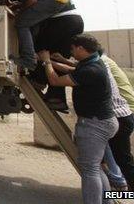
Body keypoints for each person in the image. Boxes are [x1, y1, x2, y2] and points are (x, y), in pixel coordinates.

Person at [37, 34, 117, 204]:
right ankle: (107, 201)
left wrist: (47, 62)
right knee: (94, 167)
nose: (71, 52)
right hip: (102, 122)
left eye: (73, 49)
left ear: (81, 48)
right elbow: (74, 70)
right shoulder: (94, 62)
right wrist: (58, 60)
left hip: (94, 125)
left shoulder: (91, 70)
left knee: (89, 170)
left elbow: (55, 80)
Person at [100, 54, 134, 197]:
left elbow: (80, 72)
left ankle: (118, 181)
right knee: (116, 149)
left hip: (127, 112)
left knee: (111, 146)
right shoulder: (106, 60)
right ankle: (122, 182)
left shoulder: (101, 63)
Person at [7, 0, 74, 71]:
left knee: (21, 23)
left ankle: (28, 59)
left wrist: (19, 11)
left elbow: (32, 1)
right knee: (32, 21)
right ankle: (30, 53)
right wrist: (19, 6)